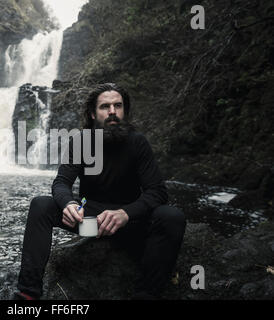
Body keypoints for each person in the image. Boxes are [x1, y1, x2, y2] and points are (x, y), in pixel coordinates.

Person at [14, 83, 186, 300]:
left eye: (118, 105)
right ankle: (27, 294)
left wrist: (126, 214)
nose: (112, 111)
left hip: (130, 225)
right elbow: (61, 183)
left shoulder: (138, 143)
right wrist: (69, 204)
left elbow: (157, 192)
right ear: (93, 113)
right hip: (90, 224)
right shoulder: (82, 141)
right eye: (105, 106)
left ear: (125, 110)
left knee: (172, 216)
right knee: (41, 204)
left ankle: (146, 295)